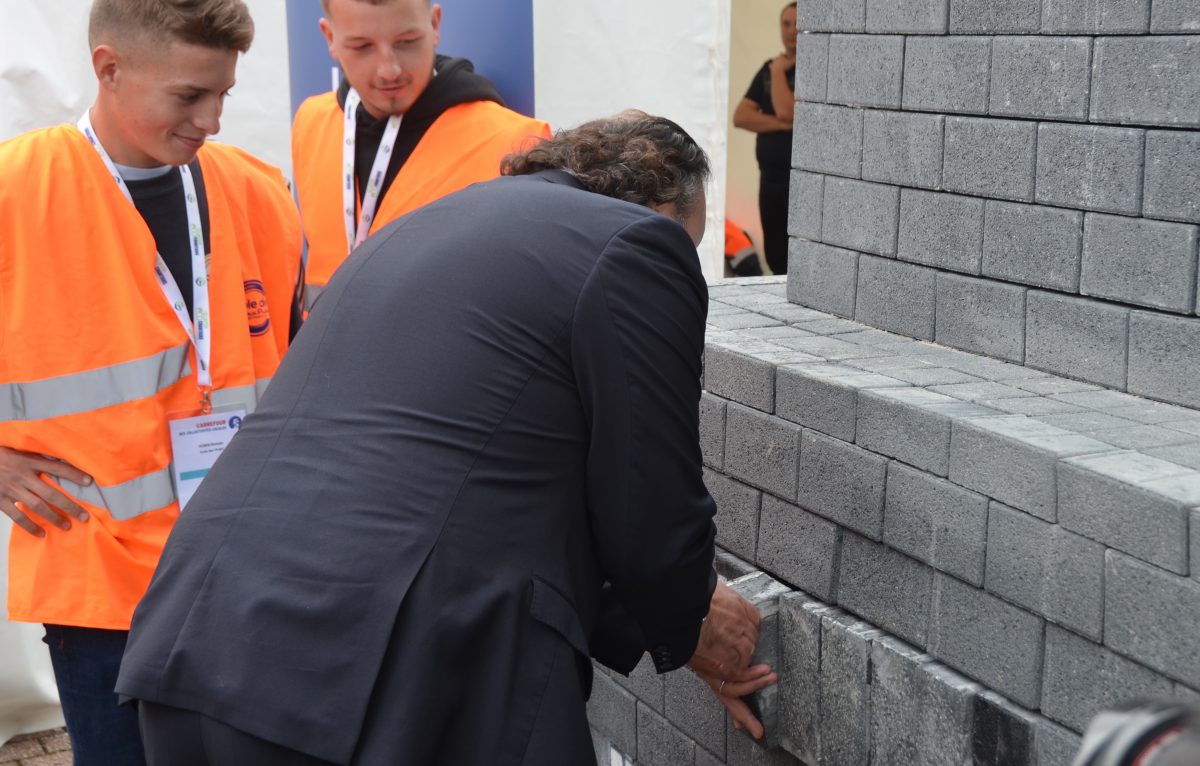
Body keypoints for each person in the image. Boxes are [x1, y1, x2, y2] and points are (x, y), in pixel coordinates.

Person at [116, 112, 776, 765]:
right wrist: (692, 618)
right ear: (663, 206)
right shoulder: (635, 242)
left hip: (201, 628)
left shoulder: (421, 226)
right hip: (376, 670)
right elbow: (645, 492)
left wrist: (662, 620)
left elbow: (480, 473)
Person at [0, 1, 303, 763]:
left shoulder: (256, 192)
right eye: (190, 97)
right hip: (102, 587)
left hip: (250, 570)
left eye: (224, 94)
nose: (214, 121)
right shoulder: (16, 191)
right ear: (109, 68)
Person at [293, 0, 552, 311]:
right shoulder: (311, 122)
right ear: (329, 38)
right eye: (362, 47)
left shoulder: (515, 142)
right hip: (328, 356)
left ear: (435, 24)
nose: (389, 70)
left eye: (406, 42)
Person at [733, 1, 797, 276]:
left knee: (791, 256)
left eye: (797, 24)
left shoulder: (784, 70)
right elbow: (742, 116)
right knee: (774, 253)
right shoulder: (768, 68)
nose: (791, 30)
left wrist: (778, 72)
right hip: (770, 179)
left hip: (797, 183)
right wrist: (780, 124)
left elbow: (788, 111)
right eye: (786, 24)